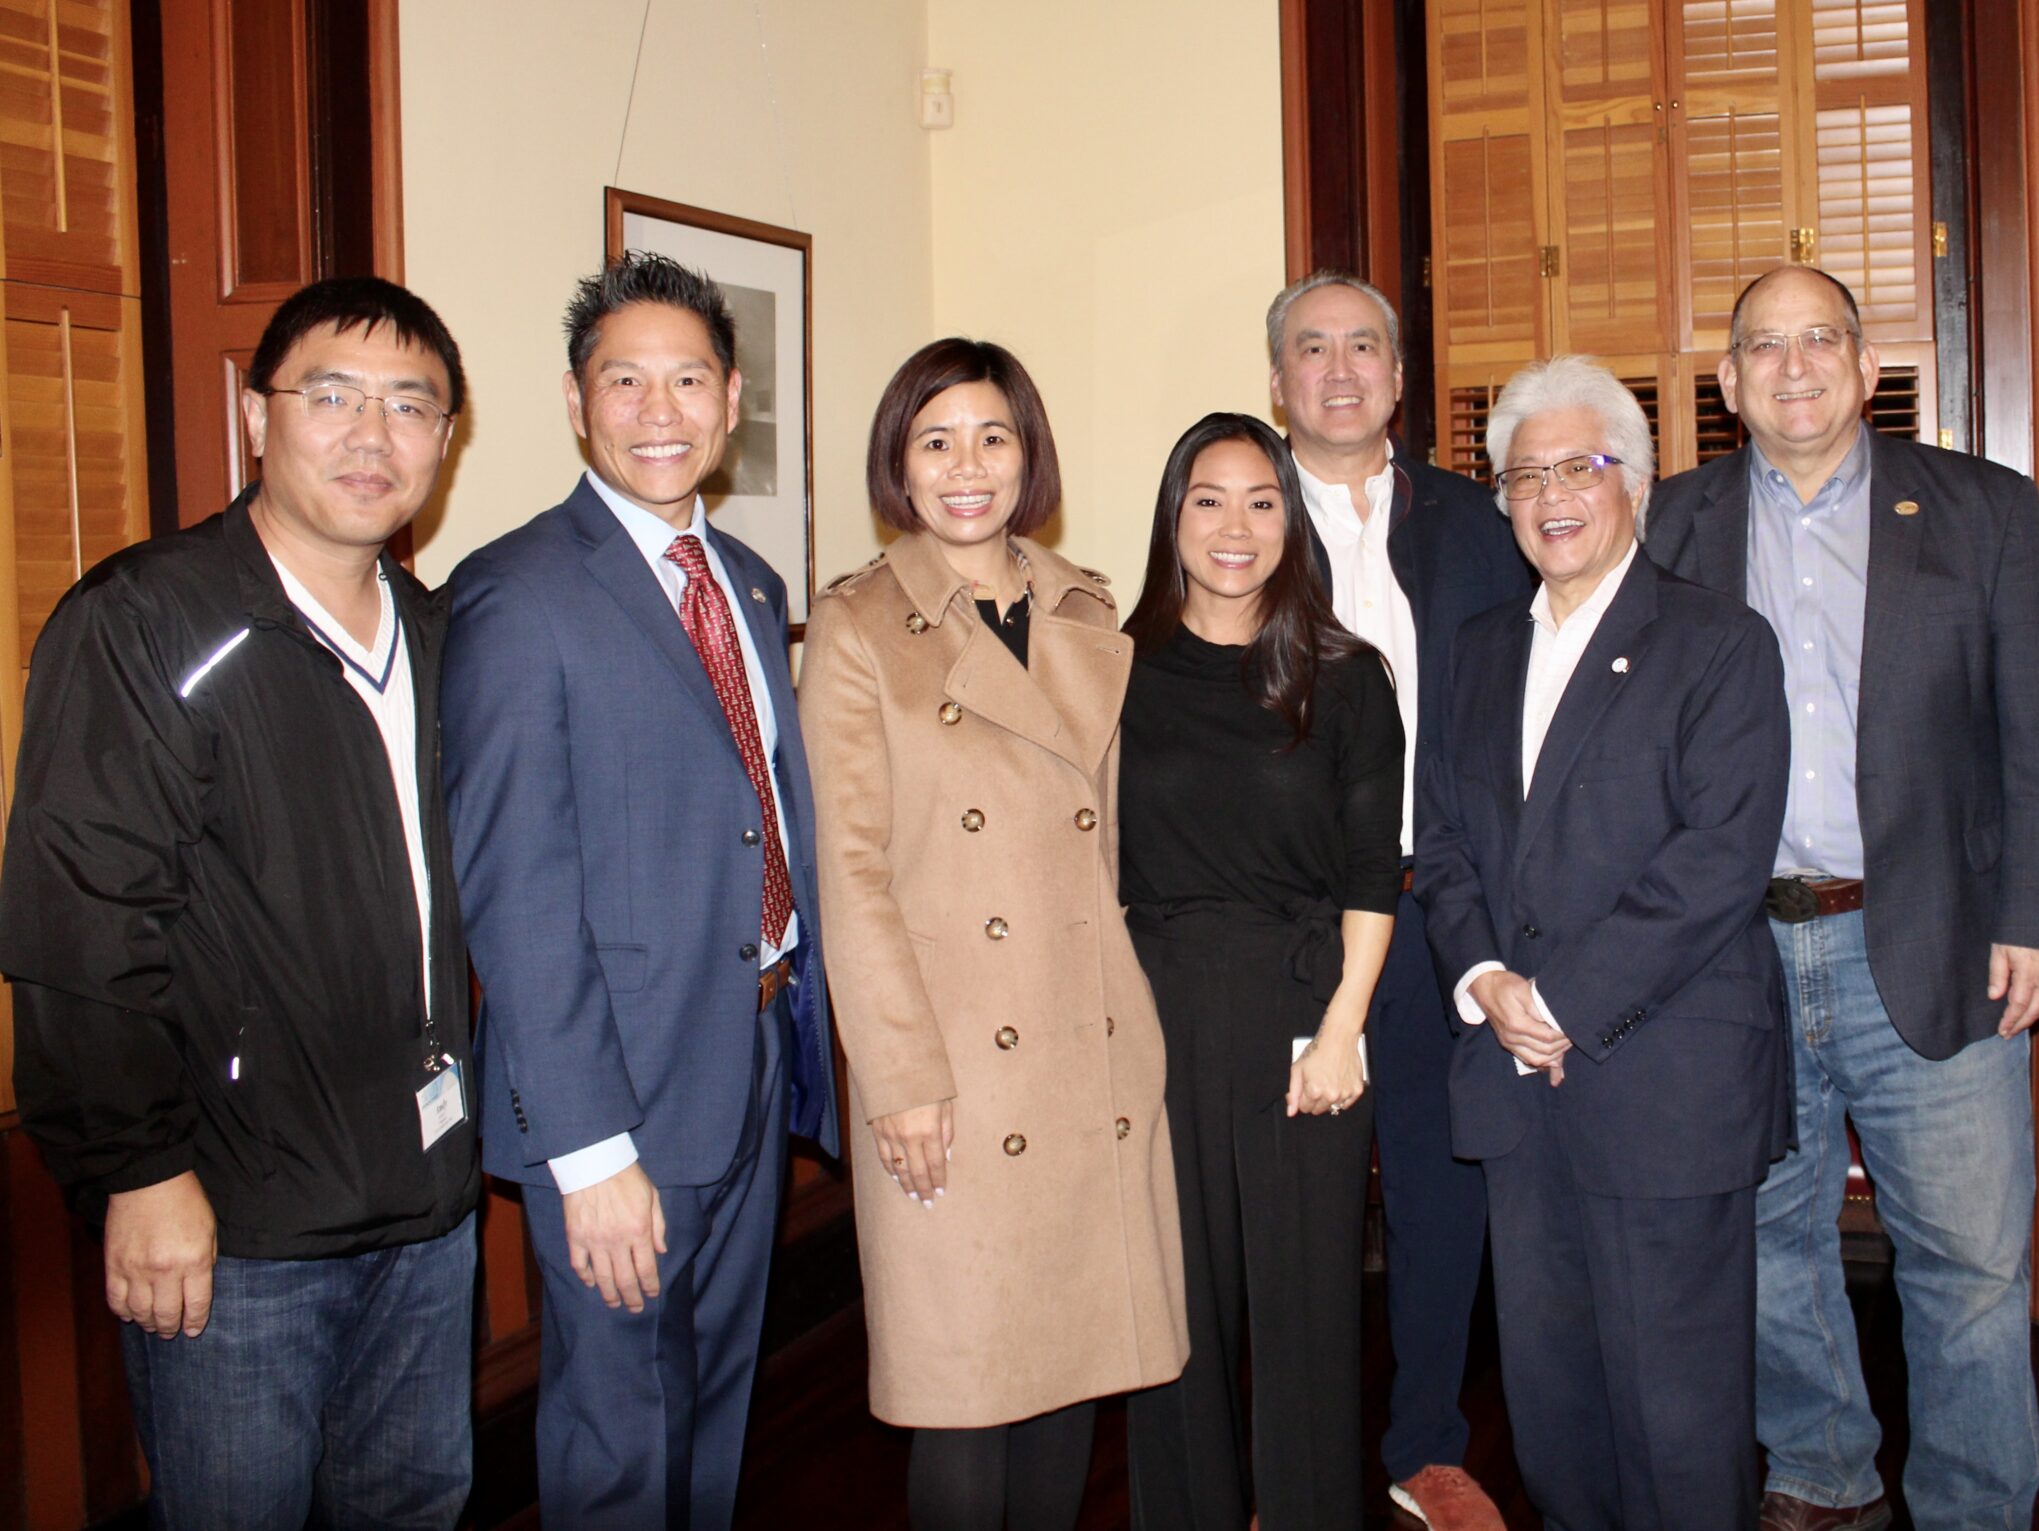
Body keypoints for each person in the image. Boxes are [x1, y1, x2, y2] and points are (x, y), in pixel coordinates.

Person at [3, 279, 477, 1529]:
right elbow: (80, 921)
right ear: (260, 416)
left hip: (429, 1209)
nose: (372, 435)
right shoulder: (147, 620)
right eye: (331, 396)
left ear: (445, 438)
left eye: (409, 405)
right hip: (235, 1221)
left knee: (413, 1508)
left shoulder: (438, 638)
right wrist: (142, 1171)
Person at [1646, 266, 2039, 1531]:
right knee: (1768, 1249)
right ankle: (1821, 1476)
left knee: (1968, 1263)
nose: (1794, 367)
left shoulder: (1981, 509)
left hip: (1941, 939)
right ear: (1726, 382)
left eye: (1820, 340)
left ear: (1868, 361)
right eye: (1763, 348)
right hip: (1734, 960)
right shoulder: (1668, 524)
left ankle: (1975, 1504)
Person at [442, 252, 838, 1531]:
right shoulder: (515, 594)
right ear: (574, 401)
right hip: (615, 1102)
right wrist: (589, 1151)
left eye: (687, 380)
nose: (659, 410)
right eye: (626, 381)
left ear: (731, 403)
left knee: (713, 1408)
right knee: (621, 1442)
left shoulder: (751, 580)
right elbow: (518, 895)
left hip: (750, 1053)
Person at [797, 338, 1185, 1531]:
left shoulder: (1085, 603)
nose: (966, 468)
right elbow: (849, 874)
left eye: (992, 437)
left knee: (1067, 1374)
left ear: (1029, 455)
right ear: (898, 467)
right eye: (935, 441)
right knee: (963, 1393)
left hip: (1087, 1043)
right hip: (952, 1068)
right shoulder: (857, 627)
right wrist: (901, 1081)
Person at [1416, 356, 1791, 1531]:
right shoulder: (1476, 648)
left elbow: (1716, 864)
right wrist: (1485, 980)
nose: (1550, 495)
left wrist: (1562, 1001)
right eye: (1524, 475)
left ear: (1633, 479)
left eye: (1577, 466)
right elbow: (1443, 844)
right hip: (1515, 1083)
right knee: (1552, 1399)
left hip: (1663, 1077)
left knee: (1678, 1413)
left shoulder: (1718, 640)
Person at [1264, 271, 1525, 1531]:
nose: (1340, 368)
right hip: (1292, 919)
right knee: (1295, 1200)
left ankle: (1426, 1443)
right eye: (1311, 349)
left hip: (1437, 911)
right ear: (1278, 383)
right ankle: (1288, 1466)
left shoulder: (1475, 522)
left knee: (1439, 1187)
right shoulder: (1234, 517)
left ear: (1399, 376)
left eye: (1363, 346)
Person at [1118, 412, 1403, 1530]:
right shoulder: (1114, 667)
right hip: (1157, 1006)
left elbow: (1372, 877)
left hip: (1302, 1005)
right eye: (1207, 499)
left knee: (1303, 1303)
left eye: (1261, 500)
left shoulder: (1347, 677)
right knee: (1175, 1303)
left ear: (1292, 520)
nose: (1234, 526)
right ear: (1172, 516)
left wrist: (1343, 1031)